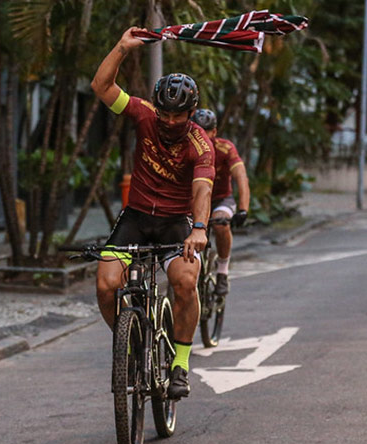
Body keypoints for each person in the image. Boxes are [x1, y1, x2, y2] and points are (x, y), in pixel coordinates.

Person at [90, 27, 215, 400]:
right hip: (137, 218)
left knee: (186, 281)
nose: (171, 121)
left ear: (191, 113)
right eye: (165, 114)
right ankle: (129, 343)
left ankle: (180, 363)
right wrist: (122, 48)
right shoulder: (144, 116)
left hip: (177, 224)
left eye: (179, 115)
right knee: (105, 283)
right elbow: (101, 87)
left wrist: (199, 228)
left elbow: (202, 187)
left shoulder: (200, 144)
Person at [191, 109, 250, 295]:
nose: (201, 135)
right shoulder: (185, 148)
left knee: (221, 223)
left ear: (214, 132)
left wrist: (243, 209)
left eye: (206, 131)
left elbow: (241, 177)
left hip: (220, 199)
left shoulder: (226, 149)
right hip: (194, 201)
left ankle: (222, 270)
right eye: (196, 130)